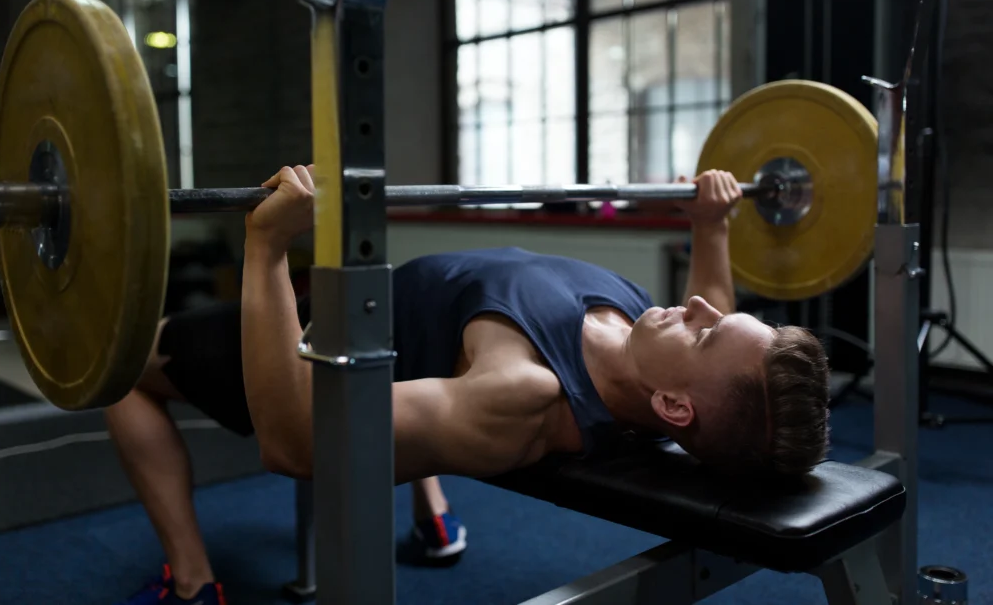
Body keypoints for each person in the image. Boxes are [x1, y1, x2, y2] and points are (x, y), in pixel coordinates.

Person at [109, 168, 831, 605]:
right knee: (427, 378)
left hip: (321, 337)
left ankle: (195, 582)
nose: (703, 307)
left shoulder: (521, 394)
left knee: (120, 370)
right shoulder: (655, 351)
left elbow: (294, 440)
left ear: (675, 407)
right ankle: (431, 506)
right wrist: (712, 226)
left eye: (707, 330)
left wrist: (265, 247)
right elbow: (713, 311)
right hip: (382, 313)